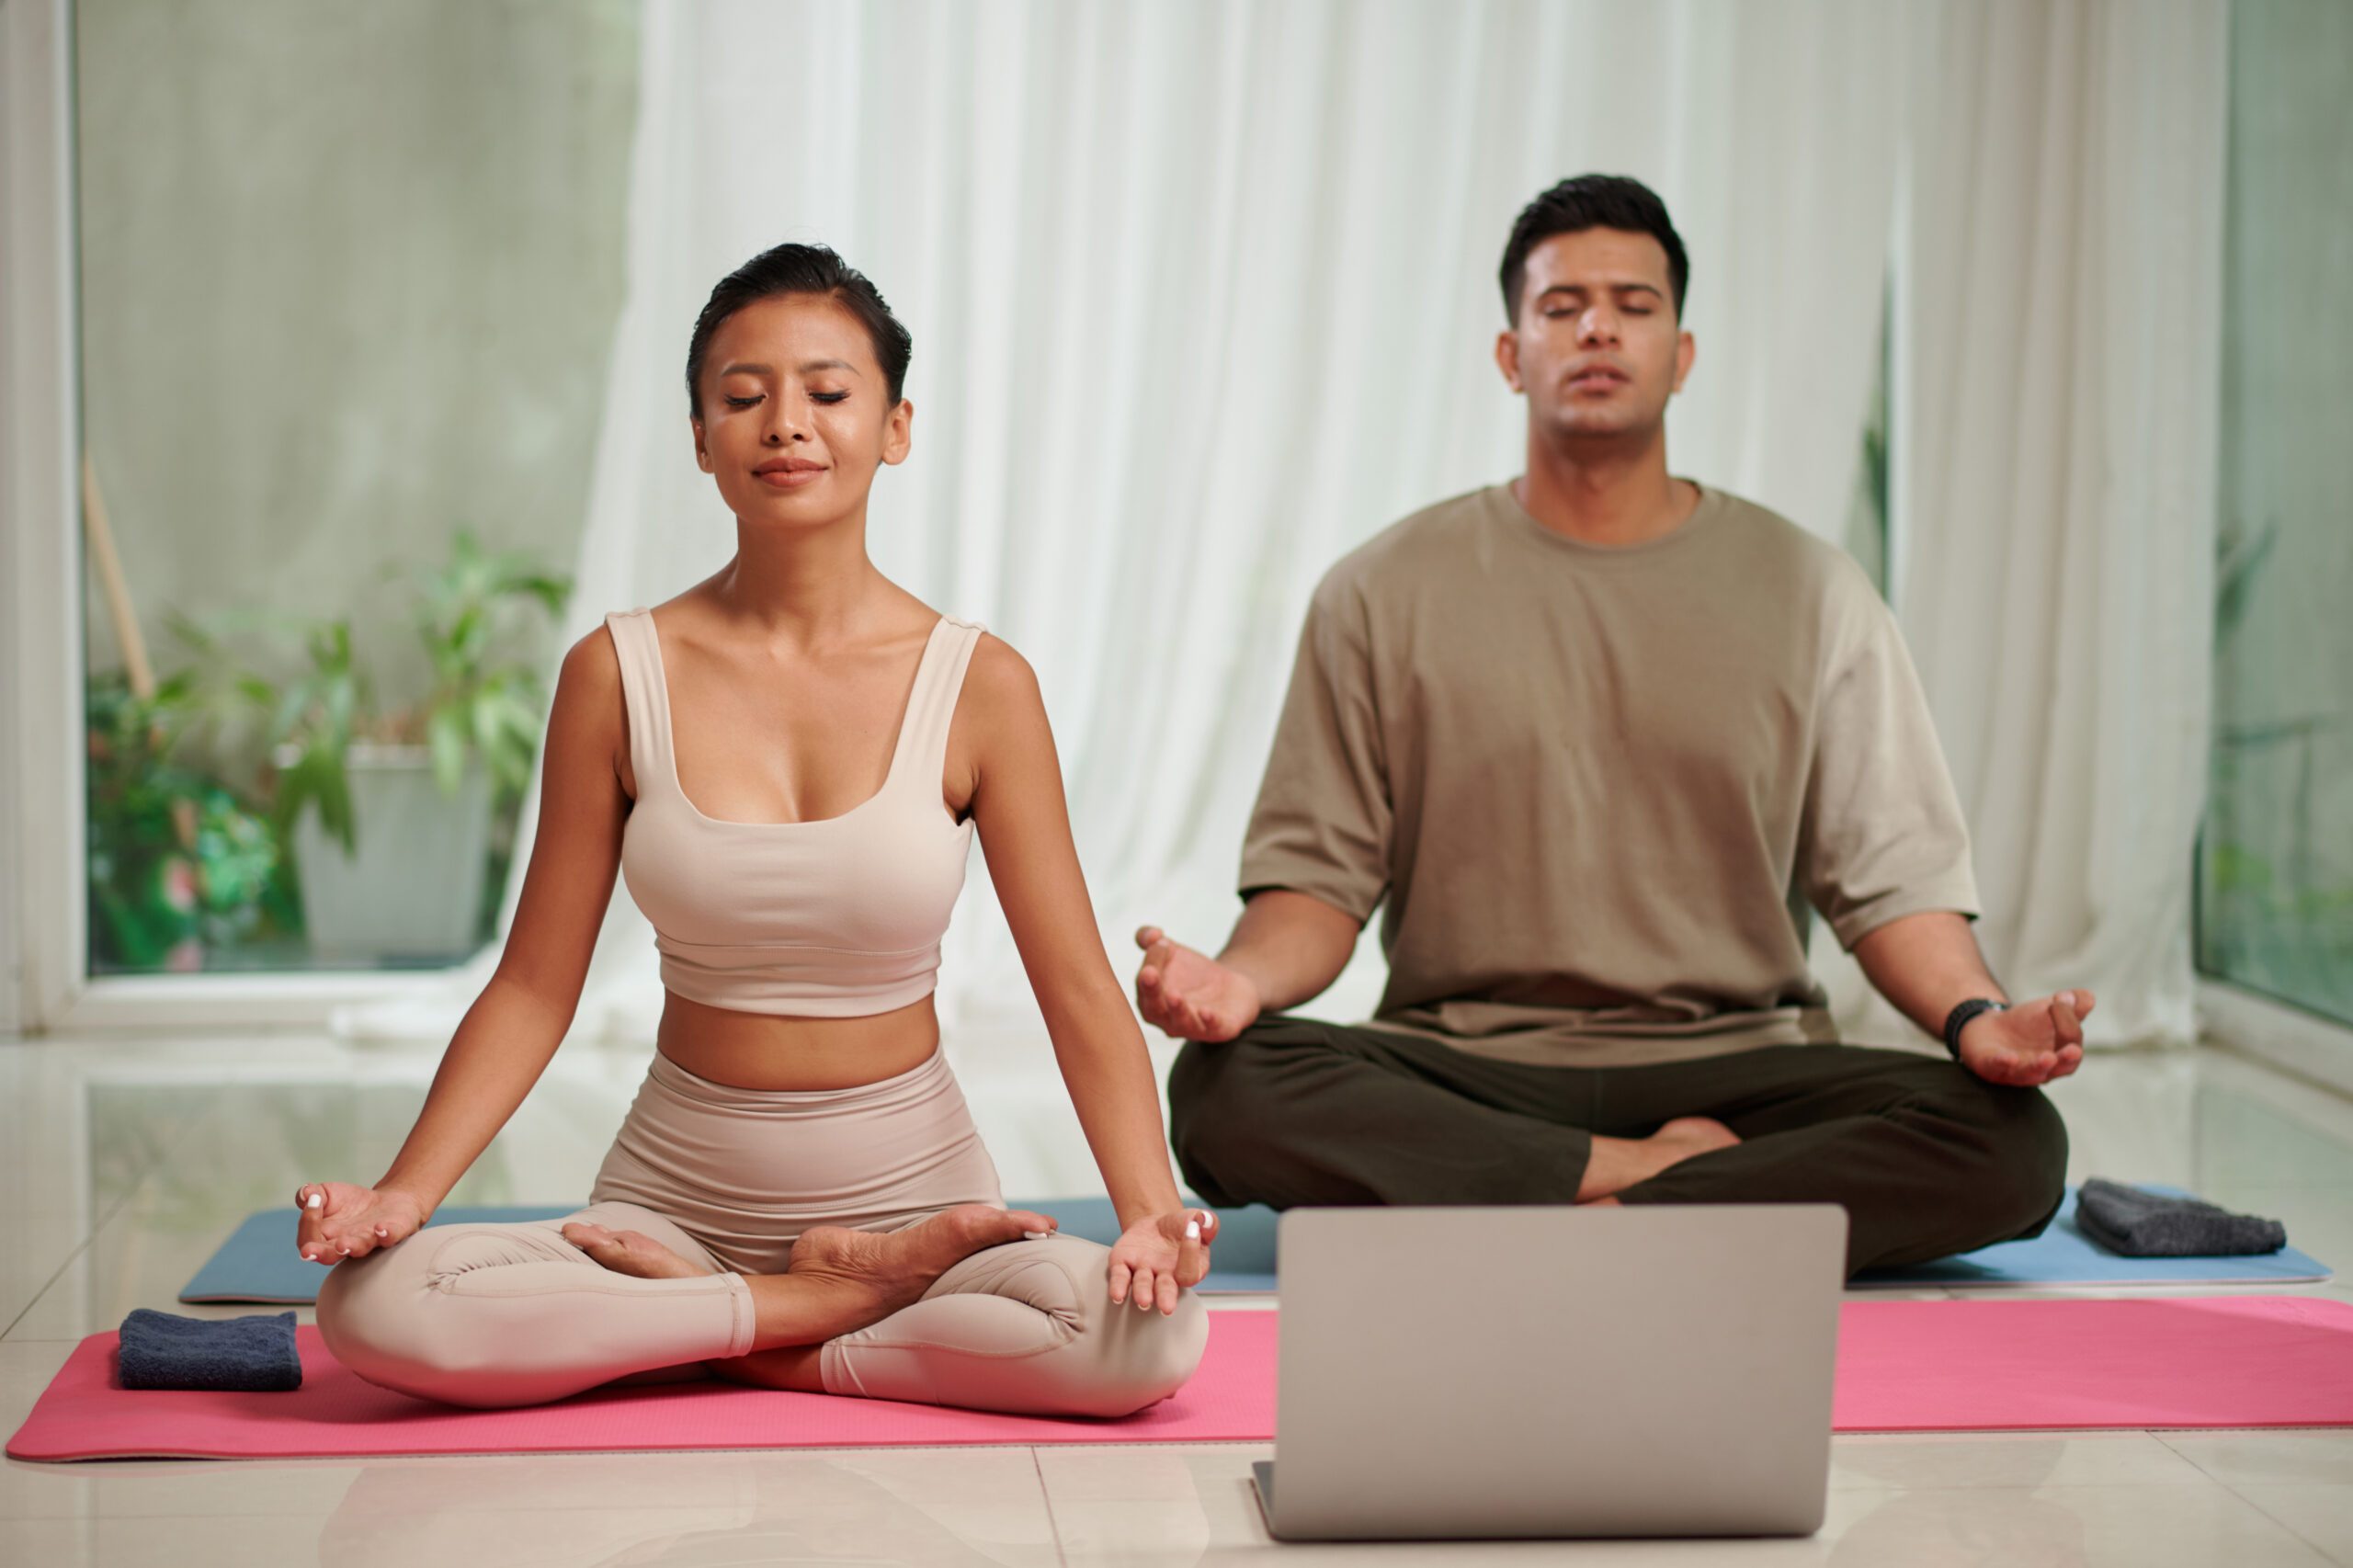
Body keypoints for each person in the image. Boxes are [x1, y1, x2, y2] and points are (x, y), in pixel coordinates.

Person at [302, 243, 1212, 1414]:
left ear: (894, 426)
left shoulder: (980, 683)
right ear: (699, 438)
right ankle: (815, 1309)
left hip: (922, 1208)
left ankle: (711, 1331)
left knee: (1147, 1338)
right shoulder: (615, 672)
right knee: (373, 1306)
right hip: (668, 1209)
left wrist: (1150, 1213)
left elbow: (1078, 986)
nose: (787, 423)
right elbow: (534, 984)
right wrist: (403, 1194)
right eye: (743, 396)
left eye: (828, 393)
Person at [1135, 175, 2081, 1277]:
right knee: (1223, 1091)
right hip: (1467, 1060)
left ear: (1680, 355)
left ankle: (1547, 1195)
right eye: (1560, 306)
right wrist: (1239, 980)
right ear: (1509, 354)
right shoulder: (1381, 590)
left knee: (2013, 1140)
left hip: (1741, 1061)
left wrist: (1978, 1018)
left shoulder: (1810, 588)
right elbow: (1316, 884)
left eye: (1634, 305)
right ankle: (1657, 1181)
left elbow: (1893, 884)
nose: (1597, 327)